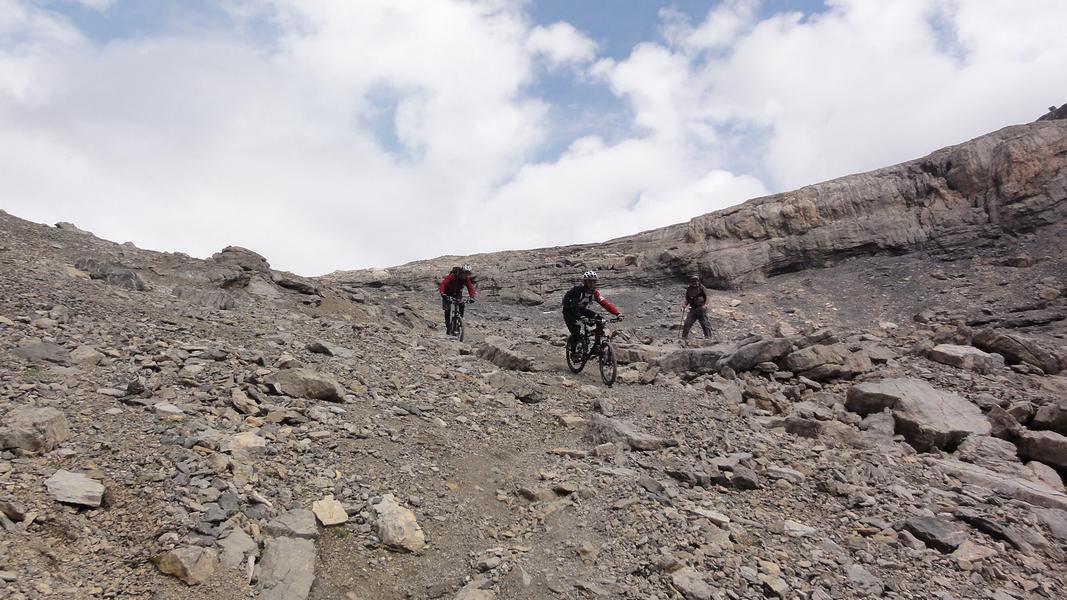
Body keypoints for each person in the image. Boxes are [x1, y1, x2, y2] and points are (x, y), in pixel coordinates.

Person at [562, 271, 621, 354]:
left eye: (594, 281)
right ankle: (574, 352)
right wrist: (582, 317)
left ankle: (596, 346)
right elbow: (574, 306)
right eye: (590, 281)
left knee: (600, 320)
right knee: (576, 330)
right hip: (570, 311)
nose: (592, 283)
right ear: (585, 282)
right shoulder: (577, 291)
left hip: (581, 311)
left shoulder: (595, 293)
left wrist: (617, 313)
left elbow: (605, 303)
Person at [439, 265, 475, 334]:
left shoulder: (466, 279)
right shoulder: (453, 275)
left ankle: (459, 321)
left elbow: (470, 288)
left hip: (457, 294)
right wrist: (442, 293)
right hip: (447, 292)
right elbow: (443, 284)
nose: (466, 275)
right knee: (447, 309)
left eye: (467, 274)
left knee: (462, 304)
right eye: (465, 273)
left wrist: (472, 297)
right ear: (462, 272)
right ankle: (448, 327)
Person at [682, 274, 712, 343]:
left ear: (698, 281)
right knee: (687, 323)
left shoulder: (702, 288)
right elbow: (687, 298)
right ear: (691, 282)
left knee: (705, 323)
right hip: (693, 309)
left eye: (695, 281)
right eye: (693, 281)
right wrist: (684, 304)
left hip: (701, 308)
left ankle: (709, 339)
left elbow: (707, 297)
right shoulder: (689, 289)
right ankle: (684, 338)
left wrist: (706, 305)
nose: (694, 282)